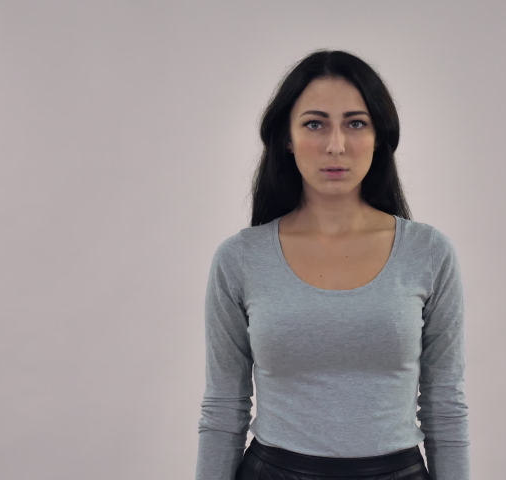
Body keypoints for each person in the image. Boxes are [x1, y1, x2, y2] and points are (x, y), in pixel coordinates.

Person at [195, 49, 470, 480]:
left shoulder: (429, 252)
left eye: (355, 123)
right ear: (286, 137)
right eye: (314, 123)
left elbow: (444, 403)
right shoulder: (241, 258)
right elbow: (224, 405)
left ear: (379, 136)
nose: (336, 145)